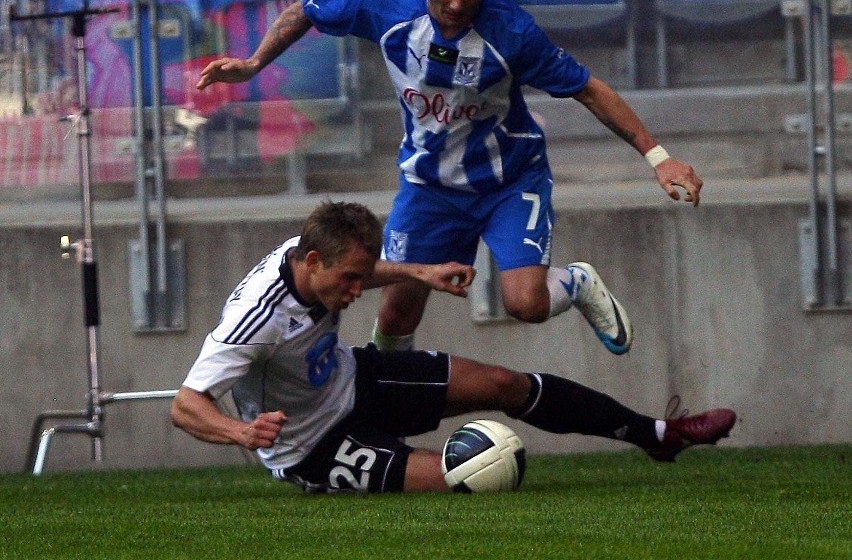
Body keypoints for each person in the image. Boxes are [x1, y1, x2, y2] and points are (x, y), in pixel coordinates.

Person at [196, 0, 704, 356]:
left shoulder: (513, 33)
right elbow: (304, 10)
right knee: (396, 310)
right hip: (429, 185)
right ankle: (391, 404)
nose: (457, 4)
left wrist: (657, 156)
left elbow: (589, 89)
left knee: (525, 304)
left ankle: (577, 283)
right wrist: (254, 63)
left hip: (510, 179)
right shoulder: (383, 2)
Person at [171, 201, 736, 494]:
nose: (355, 291)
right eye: (347, 281)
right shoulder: (253, 320)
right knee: (462, 479)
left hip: (354, 380)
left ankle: (658, 437)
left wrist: (421, 272)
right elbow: (186, 405)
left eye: (358, 278)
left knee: (503, 385)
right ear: (312, 263)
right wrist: (241, 433)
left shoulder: (314, 252)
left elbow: (363, 271)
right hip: (311, 445)